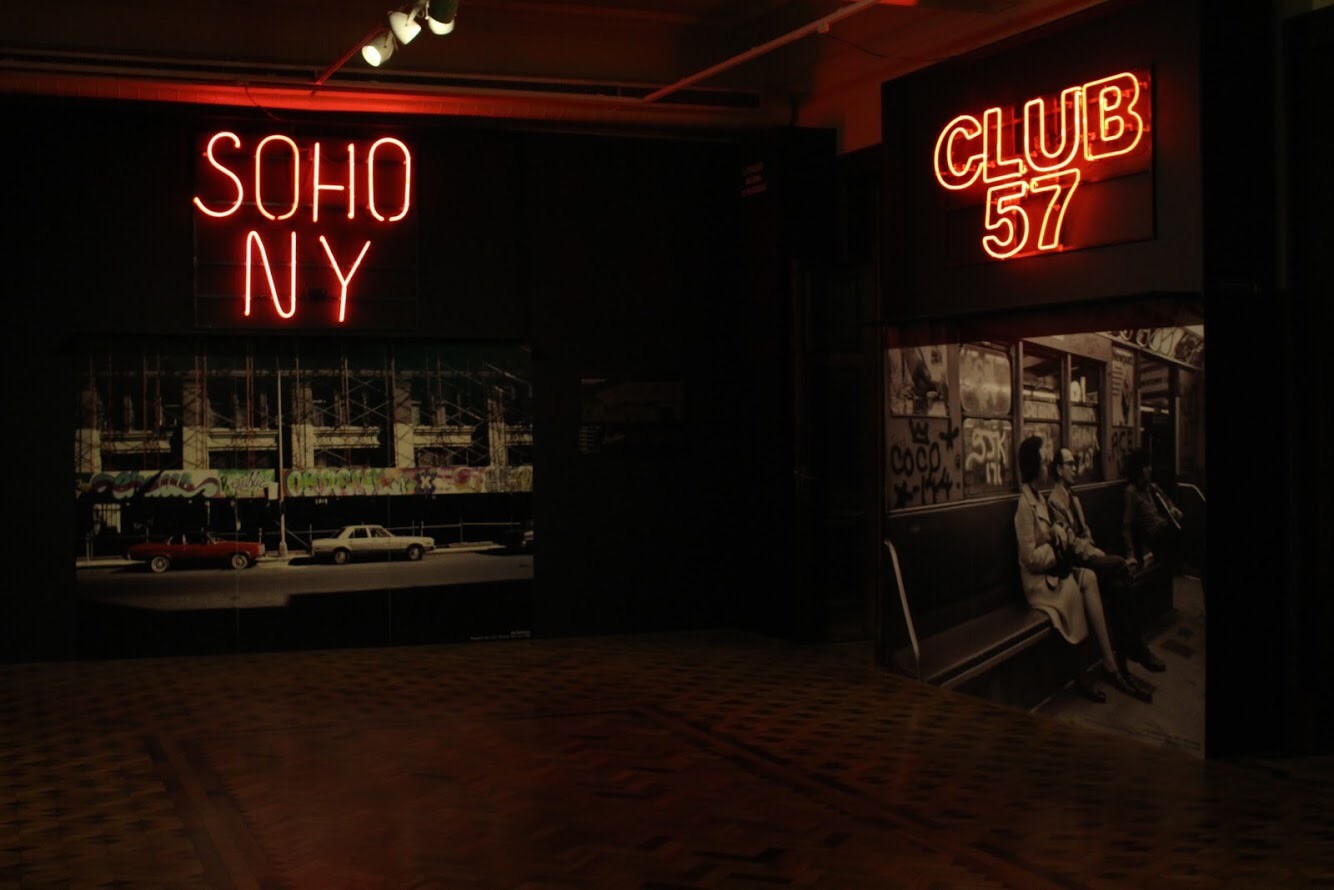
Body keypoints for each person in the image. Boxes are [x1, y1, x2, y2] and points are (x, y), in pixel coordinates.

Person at [1014, 436, 1149, 703]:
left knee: (1089, 578)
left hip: (1053, 572)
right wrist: (1055, 543)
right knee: (1075, 591)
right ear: (1033, 466)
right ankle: (1080, 675)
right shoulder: (1024, 507)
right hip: (1039, 583)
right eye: (1043, 462)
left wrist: (1058, 534)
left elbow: (1055, 533)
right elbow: (1029, 558)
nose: (1047, 467)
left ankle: (1109, 663)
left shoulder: (1038, 499)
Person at [1047, 447, 1165, 681]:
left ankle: (1126, 652)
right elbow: (1071, 543)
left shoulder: (1073, 497)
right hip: (1078, 563)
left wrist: (1093, 547)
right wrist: (1096, 552)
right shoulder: (1055, 501)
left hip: (1090, 555)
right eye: (1070, 464)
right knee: (1120, 568)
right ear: (1059, 470)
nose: (1074, 468)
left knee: (1120, 585)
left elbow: (1085, 530)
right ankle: (1134, 649)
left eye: (1074, 462)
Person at [1122, 449, 1183, 571]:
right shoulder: (1131, 492)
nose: (1150, 469)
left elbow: (1167, 500)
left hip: (1163, 527)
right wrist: (1131, 554)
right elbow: (1127, 525)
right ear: (1138, 470)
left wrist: (1172, 508)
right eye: (1146, 466)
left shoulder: (1151, 487)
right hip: (1152, 534)